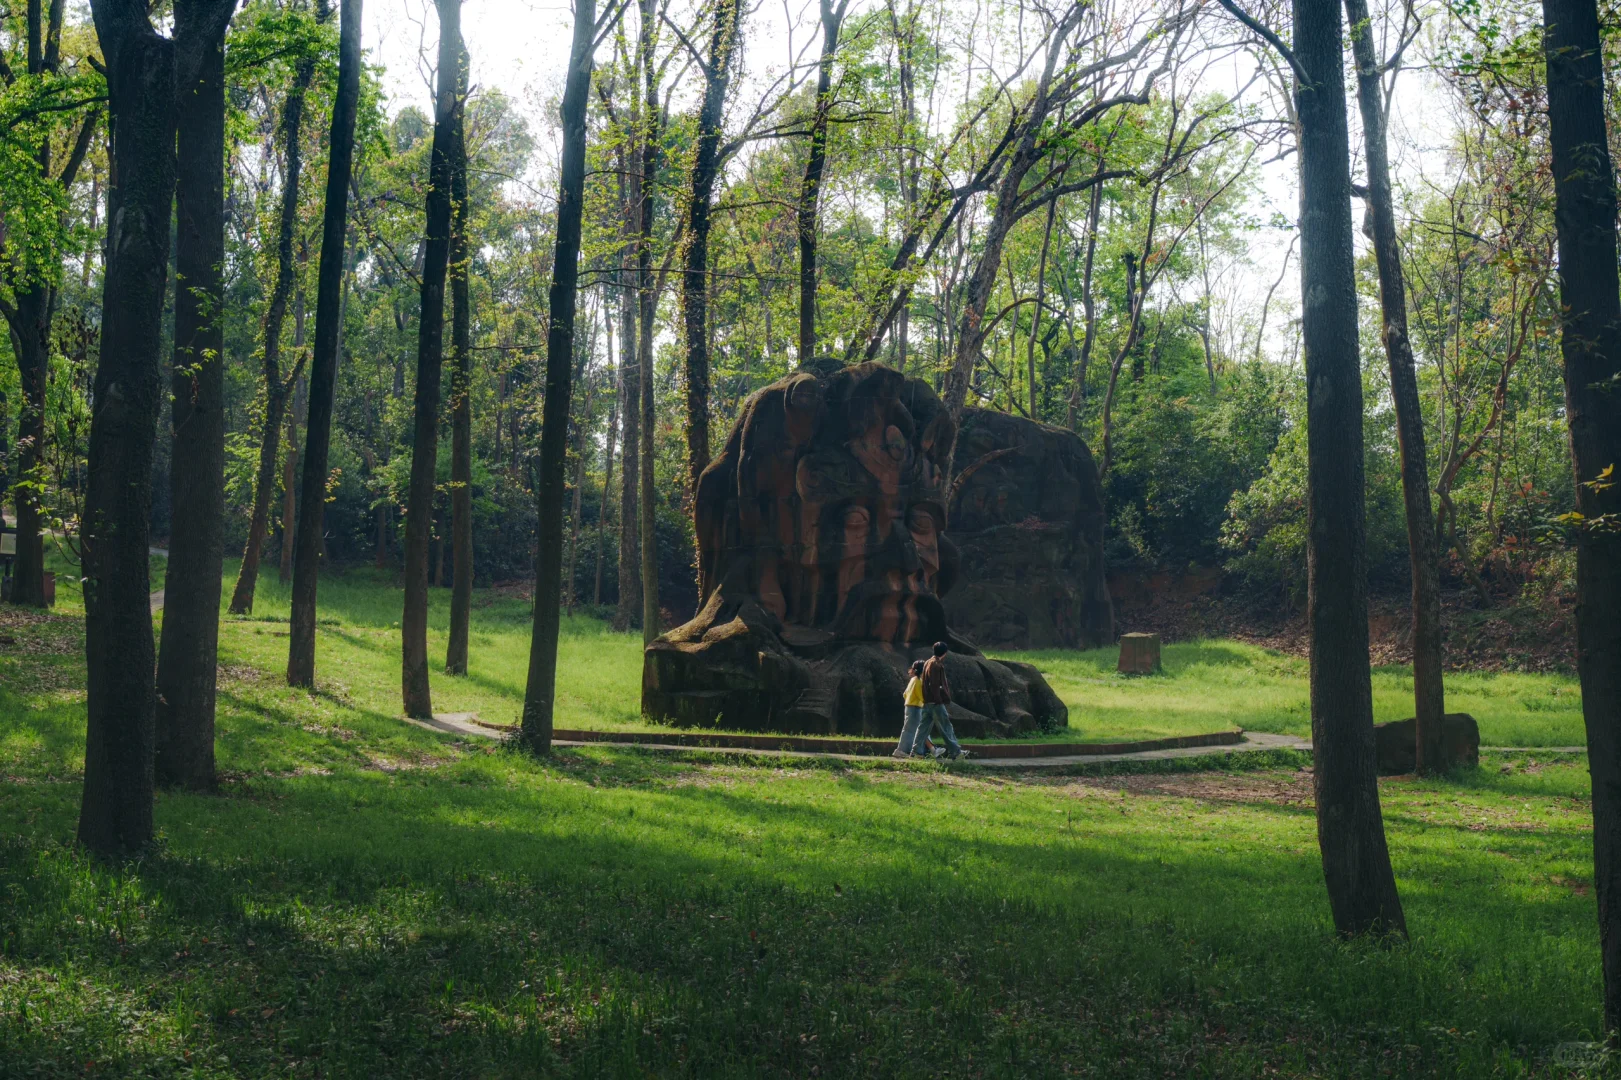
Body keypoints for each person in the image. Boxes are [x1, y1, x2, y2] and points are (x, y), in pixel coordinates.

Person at [919, 641, 966, 760]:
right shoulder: (936, 664)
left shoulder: (927, 662)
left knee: (923, 729)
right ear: (945, 653)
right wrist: (939, 700)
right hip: (935, 702)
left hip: (927, 701)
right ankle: (955, 752)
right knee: (946, 727)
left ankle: (915, 752)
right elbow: (935, 685)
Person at [892, 660, 928, 760]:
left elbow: (905, 694)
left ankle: (906, 750)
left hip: (909, 706)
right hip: (916, 707)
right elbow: (922, 697)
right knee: (913, 730)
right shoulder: (919, 681)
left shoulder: (913, 680)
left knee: (909, 729)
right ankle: (902, 750)